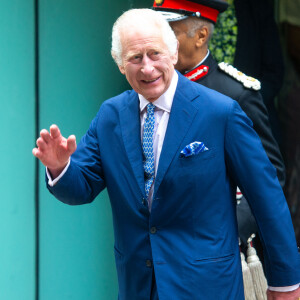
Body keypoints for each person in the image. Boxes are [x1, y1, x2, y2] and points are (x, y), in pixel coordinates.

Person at [32, 8, 300, 300]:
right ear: (120, 64)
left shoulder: (220, 112)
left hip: (208, 288)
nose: (147, 68)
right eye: (135, 58)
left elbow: (267, 200)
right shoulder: (110, 115)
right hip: (139, 287)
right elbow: (80, 188)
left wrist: (285, 283)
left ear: (173, 53)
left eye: (155, 54)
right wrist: (61, 168)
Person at [152, 0, 285, 257]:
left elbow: (270, 175)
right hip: (162, 248)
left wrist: (232, 229)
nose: (160, 43)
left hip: (220, 252)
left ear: (201, 36)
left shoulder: (235, 94)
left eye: (170, 33)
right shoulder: (149, 89)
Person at [209, 0, 285, 146]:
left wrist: (245, 106)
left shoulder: (256, 7)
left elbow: (274, 73)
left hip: (251, 120)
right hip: (203, 117)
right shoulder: (194, 7)